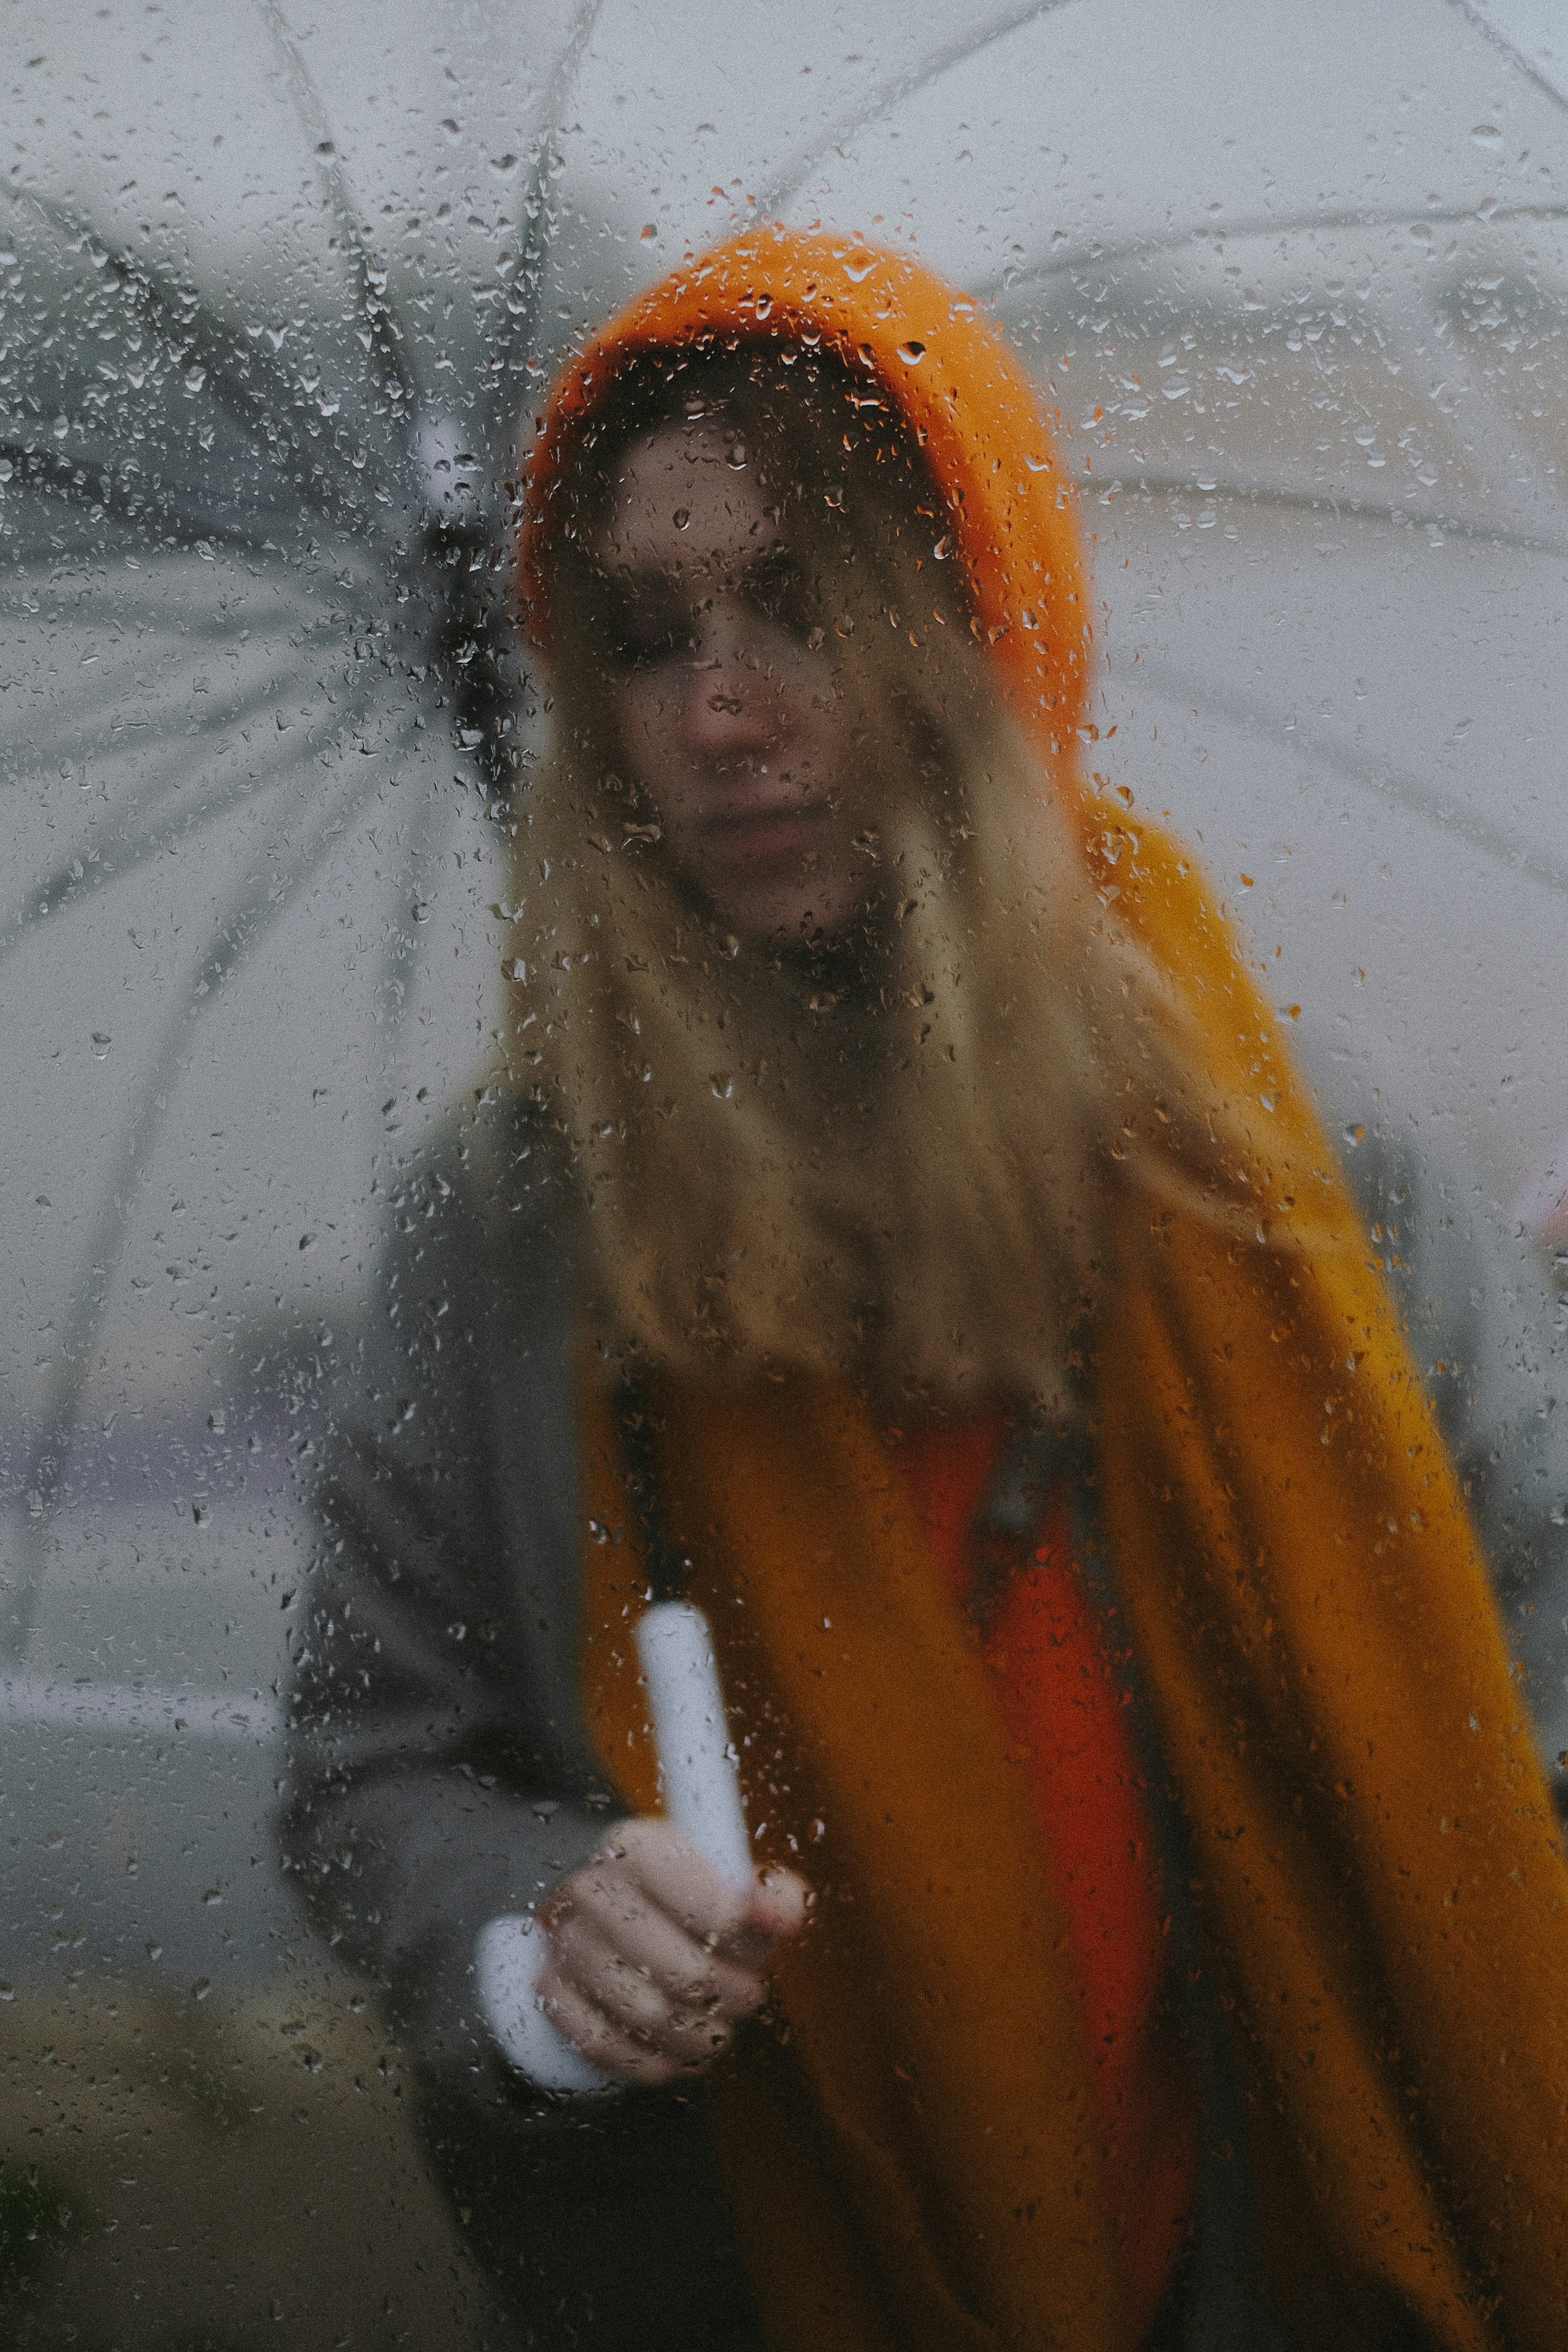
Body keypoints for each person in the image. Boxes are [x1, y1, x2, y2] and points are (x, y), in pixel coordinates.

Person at [285, 231, 1568, 2351]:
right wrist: (538, 1947)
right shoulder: (517, 1228)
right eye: (643, 629)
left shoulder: (1302, 1174)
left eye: (802, 601)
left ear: (990, 627)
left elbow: (1530, 1682)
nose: (718, 712)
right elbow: (374, 1765)